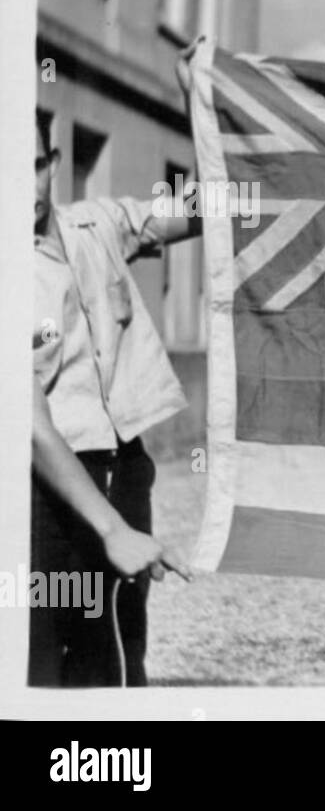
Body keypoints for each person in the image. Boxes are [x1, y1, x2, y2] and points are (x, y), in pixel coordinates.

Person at [30, 41, 203, 687]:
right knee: (41, 654)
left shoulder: (99, 223)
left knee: (121, 651)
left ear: (52, 162)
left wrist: (197, 96)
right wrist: (110, 528)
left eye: (31, 167)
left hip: (124, 467)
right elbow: (22, 414)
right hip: (42, 487)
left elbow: (213, 205)